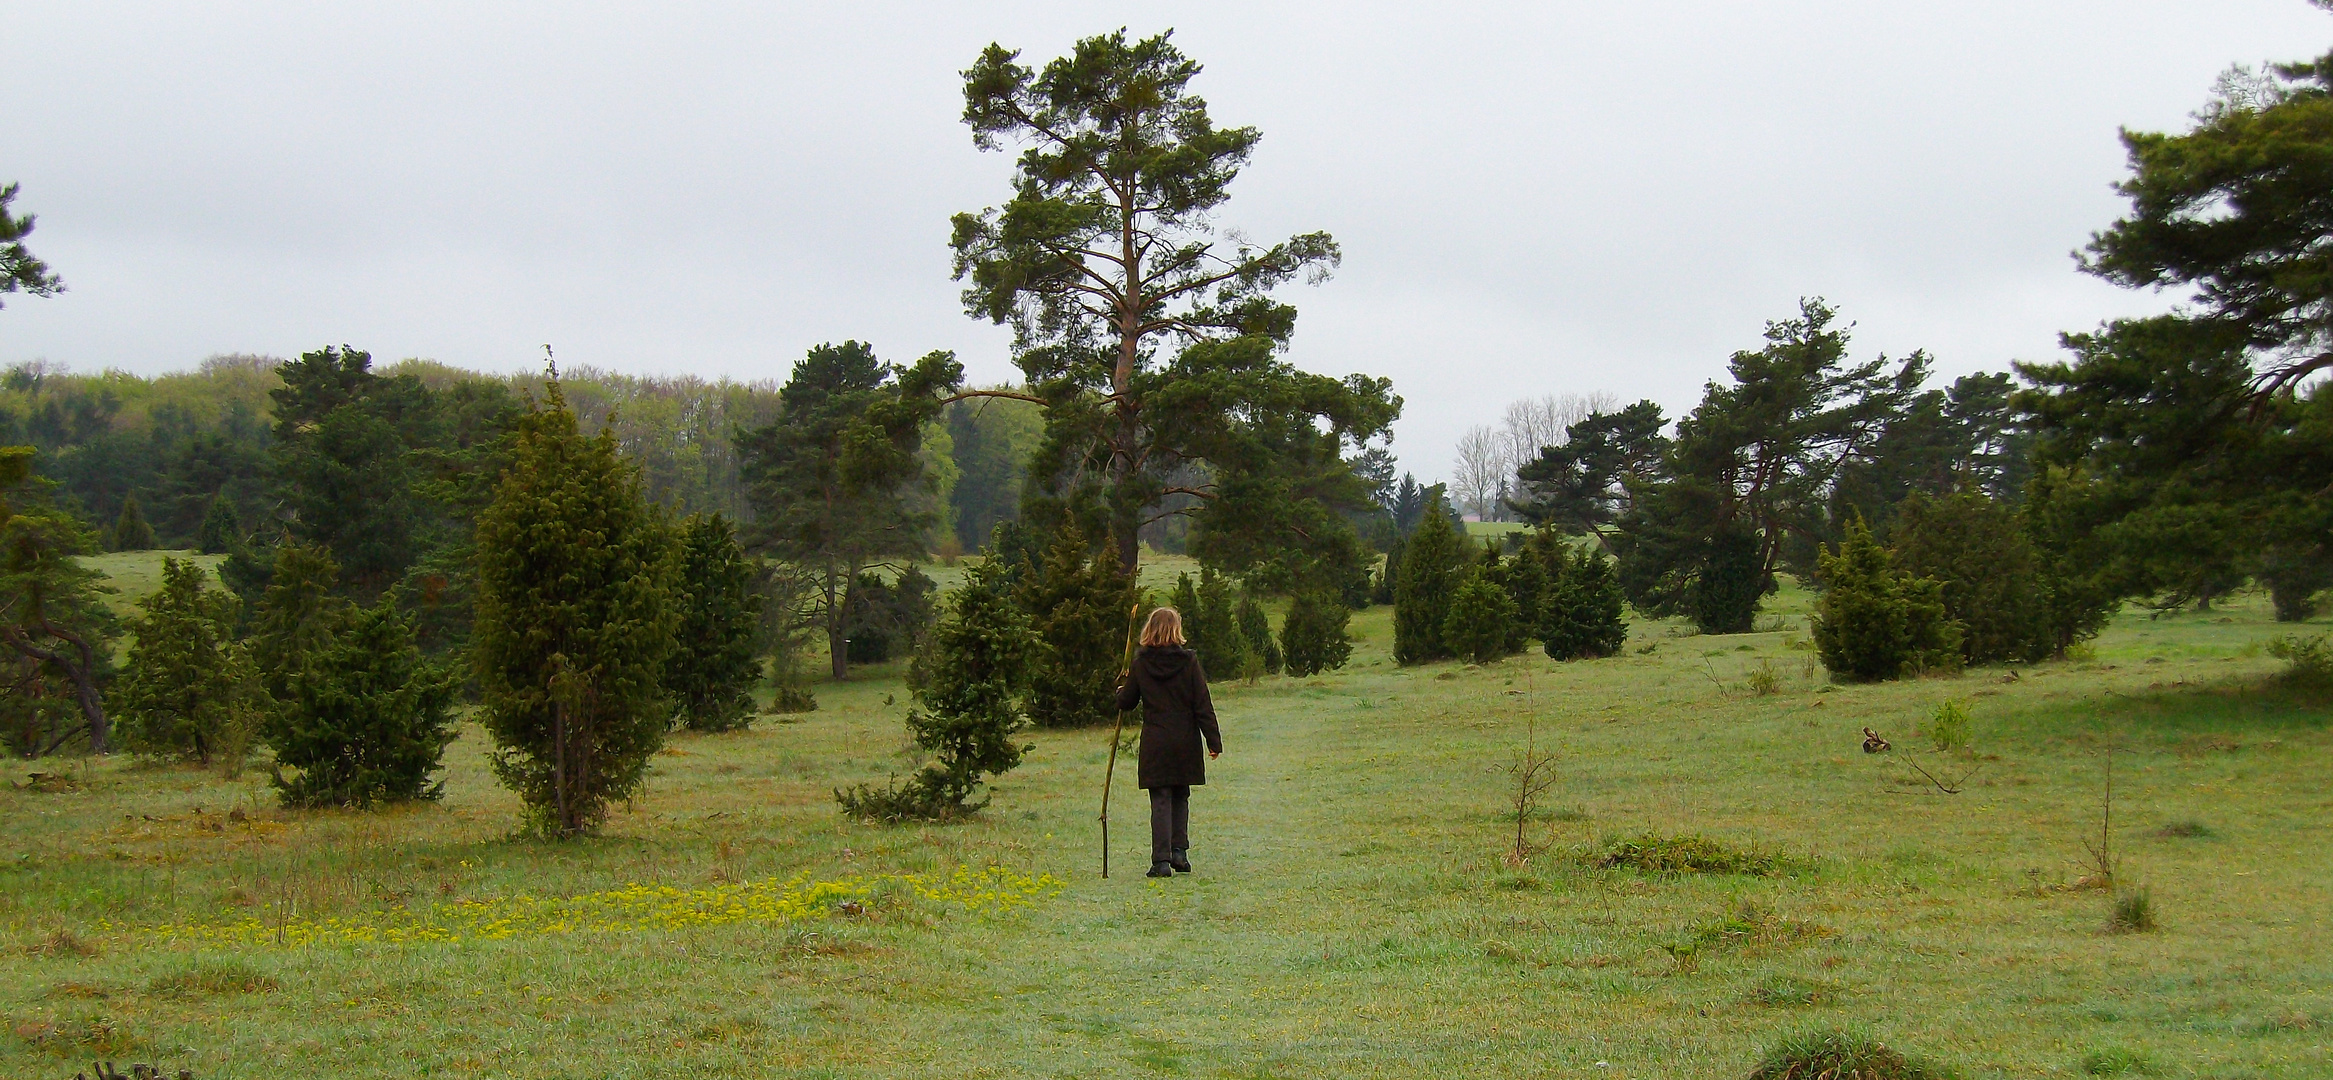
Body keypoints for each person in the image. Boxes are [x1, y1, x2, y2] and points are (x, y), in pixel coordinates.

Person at [1114, 607, 1222, 879]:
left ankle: (1161, 861)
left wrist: (1119, 690)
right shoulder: (1189, 662)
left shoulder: (1141, 662)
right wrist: (1213, 740)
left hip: (1156, 740)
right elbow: (1202, 703)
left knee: (1160, 798)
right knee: (1180, 794)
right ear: (1177, 630)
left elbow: (1127, 702)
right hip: (1184, 738)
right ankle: (1179, 852)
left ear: (1149, 629)